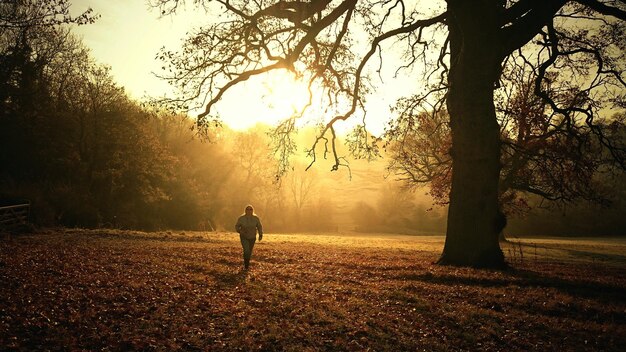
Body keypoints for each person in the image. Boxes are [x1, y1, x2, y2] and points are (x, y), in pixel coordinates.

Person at [235, 205, 263, 270]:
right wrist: (240, 231)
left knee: (249, 251)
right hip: (244, 237)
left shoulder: (256, 218)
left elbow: (259, 226)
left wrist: (260, 234)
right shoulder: (241, 218)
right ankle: (246, 266)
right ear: (245, 210)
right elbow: (237, 226)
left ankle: (247, 263)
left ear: (253, 210)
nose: (249, 210)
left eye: (251, 209)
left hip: (252, 237)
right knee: (246, 250)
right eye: (248, 209)